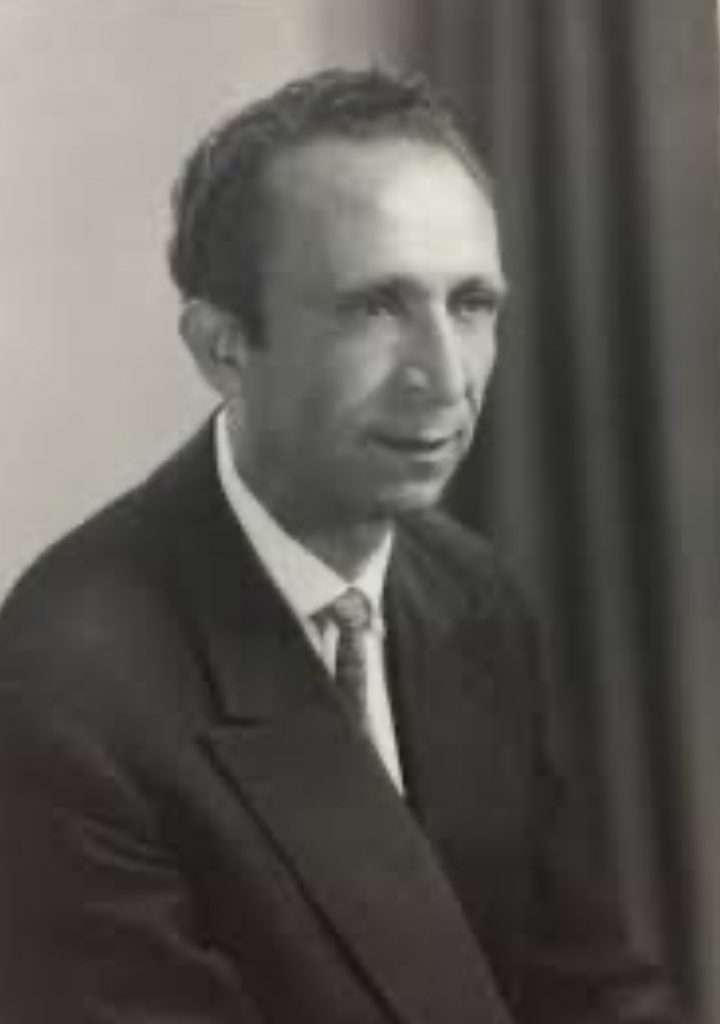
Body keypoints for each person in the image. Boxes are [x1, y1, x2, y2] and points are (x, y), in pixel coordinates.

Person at [0, 68, 683, 1024]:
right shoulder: (63, 685)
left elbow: (591, 988)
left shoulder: (472, 594)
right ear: (224, 347)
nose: (445, 376)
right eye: (375, 307)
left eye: (471, 304)